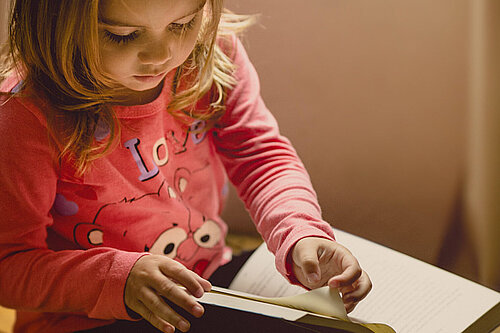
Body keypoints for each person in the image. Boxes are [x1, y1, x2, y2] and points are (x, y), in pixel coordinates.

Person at [0, 0, 372, 332]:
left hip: (206, 281)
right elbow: (9, 263)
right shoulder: (23, 116)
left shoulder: (210, 54)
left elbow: (259, 155)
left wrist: (300, 231)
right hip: (85, 318)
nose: (161, 55)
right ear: (50, 20)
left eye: (182, 24)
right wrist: (116, 280)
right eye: (122, 35)